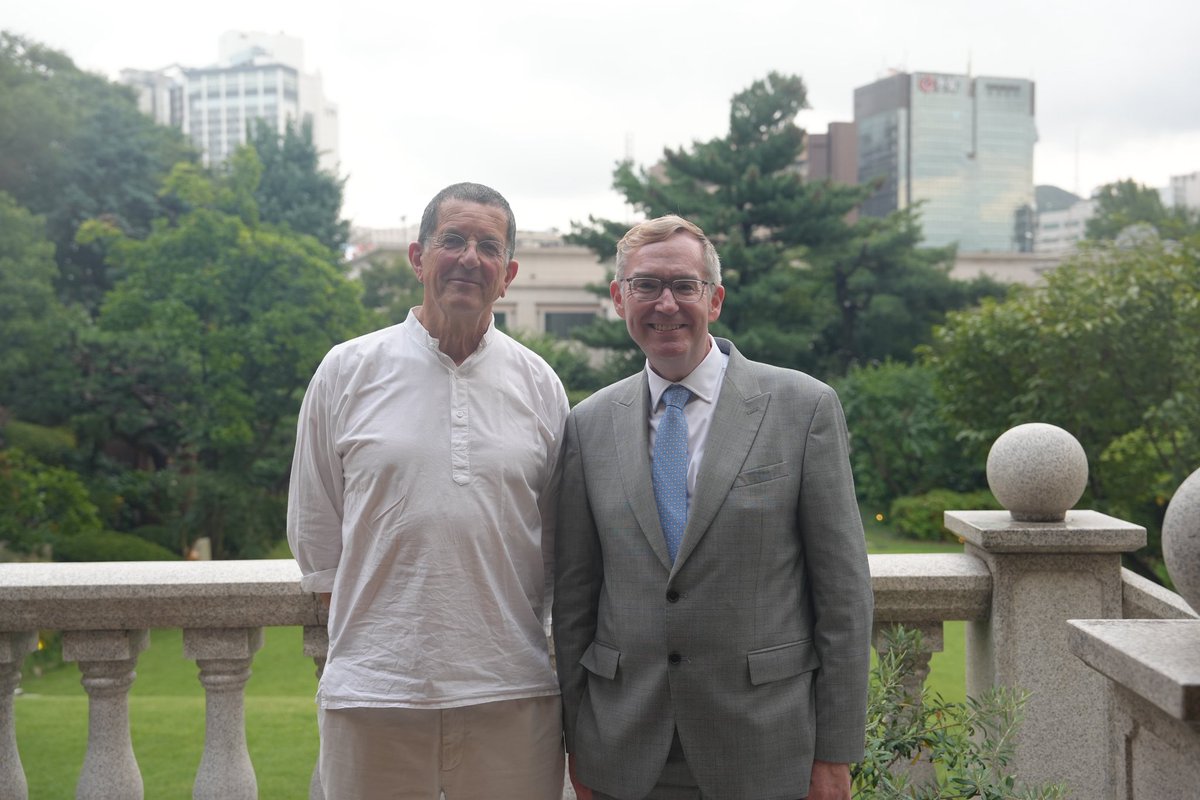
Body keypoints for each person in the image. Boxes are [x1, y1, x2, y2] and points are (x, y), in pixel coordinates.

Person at [553, 215, 873, 800]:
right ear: (619, 299)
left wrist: (835, 751)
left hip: (765, 744)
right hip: (624, 748)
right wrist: (579, 741)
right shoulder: (587, 424)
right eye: (646, 285)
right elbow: (575, 599)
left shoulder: (803, 408)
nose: (666, 303)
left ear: (715, 298)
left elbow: (844, 595)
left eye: (685, 285)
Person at [288, 182, 569, 799]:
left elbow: (554, 542)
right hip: (374, 696)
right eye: (453, 240)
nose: (470, 257)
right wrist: (386, 644)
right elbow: (316, 532)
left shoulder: (540, 385)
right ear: (418, 258)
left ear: (509, 273)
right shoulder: (347, 371)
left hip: (513, 696)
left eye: (488, 246)